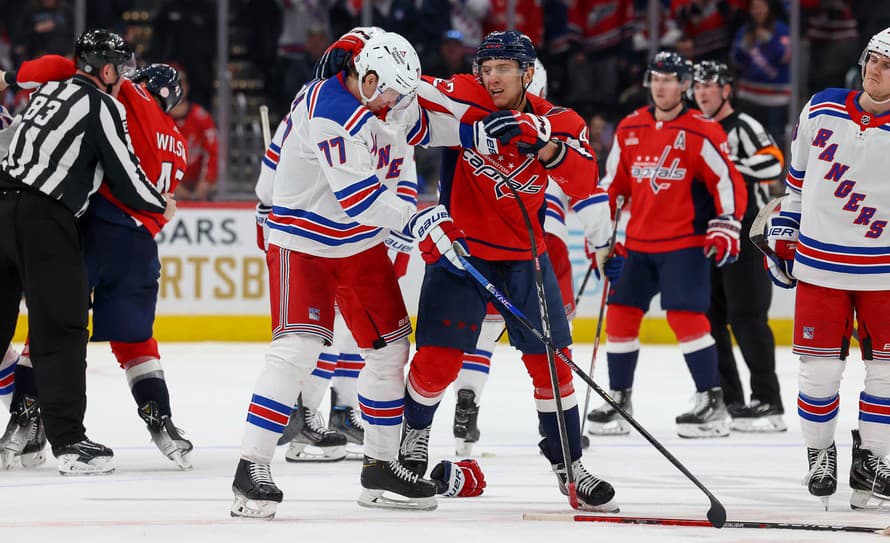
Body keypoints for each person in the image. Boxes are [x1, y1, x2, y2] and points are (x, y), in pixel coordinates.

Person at [233, 31, 477, 519]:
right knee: (299, 348)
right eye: (389, 93)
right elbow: (360, 198)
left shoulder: (384, 93)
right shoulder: (331, 109)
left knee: (390, 347)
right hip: (304, 242)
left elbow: (428, 124)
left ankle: (380, 468)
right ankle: (250, 467)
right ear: (366, 78)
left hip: (358, 244)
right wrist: (416, 220)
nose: (395, 105)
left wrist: (485, 129)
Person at [392, 30, 619, 511]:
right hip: (462, 255)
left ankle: (569, 466)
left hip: (525, 262)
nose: (491, 77)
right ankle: (412, 443)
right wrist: (461, 131)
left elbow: (584, 180)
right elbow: (405, 90)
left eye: (503, 69)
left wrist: (546, 148)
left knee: (553, 367)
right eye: (486, 68)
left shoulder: (560, 121)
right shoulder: (463, 96)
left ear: (528, 74)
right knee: (436, 362)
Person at [0, 56, 195, 469]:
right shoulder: (177, 140)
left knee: (52, 326)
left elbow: (54, 75)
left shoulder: (127, 97)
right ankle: (160, 418)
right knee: (137, 340)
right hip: (140, 245)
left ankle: (25, 423)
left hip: (91, 230)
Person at [449, 59, 622, 456]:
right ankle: (563, 430)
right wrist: (604, 246)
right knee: (552, 347)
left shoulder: (479, 126)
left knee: (484, 332)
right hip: (545, 253)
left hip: (492, 247)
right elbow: (588, 192)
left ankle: (467, 399)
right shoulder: (555, 128)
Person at [588, 51, 747, 439]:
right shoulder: (629, 128)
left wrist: (726, 224)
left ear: (684, 85)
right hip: (637, 243)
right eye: (656, 78)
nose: (661, 86)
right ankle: (620, 400)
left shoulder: (702, 129)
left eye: (670, 79)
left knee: (686, 318)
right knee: (621, 316)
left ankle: (712, 402)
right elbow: (613, 186)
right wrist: (601, 233)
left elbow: (727, 182)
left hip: (684, 243)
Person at [767, 27, 890, 511]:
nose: (879, 71)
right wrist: (784, 233)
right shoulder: (821, 106)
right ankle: (821, 456)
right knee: (818, 373)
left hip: (885, 272)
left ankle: (873, 463)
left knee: (886, 376)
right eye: (875, 60)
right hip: (820, 264)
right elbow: (796, 184)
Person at [691, 59, 786, 433]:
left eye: (709, 86)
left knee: (747, 317)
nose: (701, 93)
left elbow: (773, 163)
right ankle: (729, 401)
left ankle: (769, 401)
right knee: (711, 320)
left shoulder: (743, 126)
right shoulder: (696, 128)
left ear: (726, 90)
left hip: (747, 232)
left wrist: (725, 164)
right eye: (697, 87)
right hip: (710, 231)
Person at [168, 64, 218, 201]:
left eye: (181, 83)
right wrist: (172, 187)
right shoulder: (156, 117)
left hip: (198, 190)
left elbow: (212, 153)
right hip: (164, 192)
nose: (177, 87)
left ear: (187, 86)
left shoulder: (201, 117)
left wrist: (205, 183)